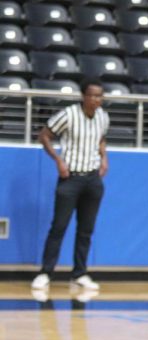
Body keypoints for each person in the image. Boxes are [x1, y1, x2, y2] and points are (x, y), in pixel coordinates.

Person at [30, 79, 109, 293]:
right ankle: (45, 273)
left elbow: (101, 138)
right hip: (70, 179)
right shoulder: (68, 115)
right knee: (59, 226)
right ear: (83, 96)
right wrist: (58, 160)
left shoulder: (103, 116)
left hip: (92, 179)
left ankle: (80, 274)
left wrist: (104, 158)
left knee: (86, 230)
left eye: (99, 95)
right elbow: (44, 135)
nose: (96, 99)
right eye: (92, 95)